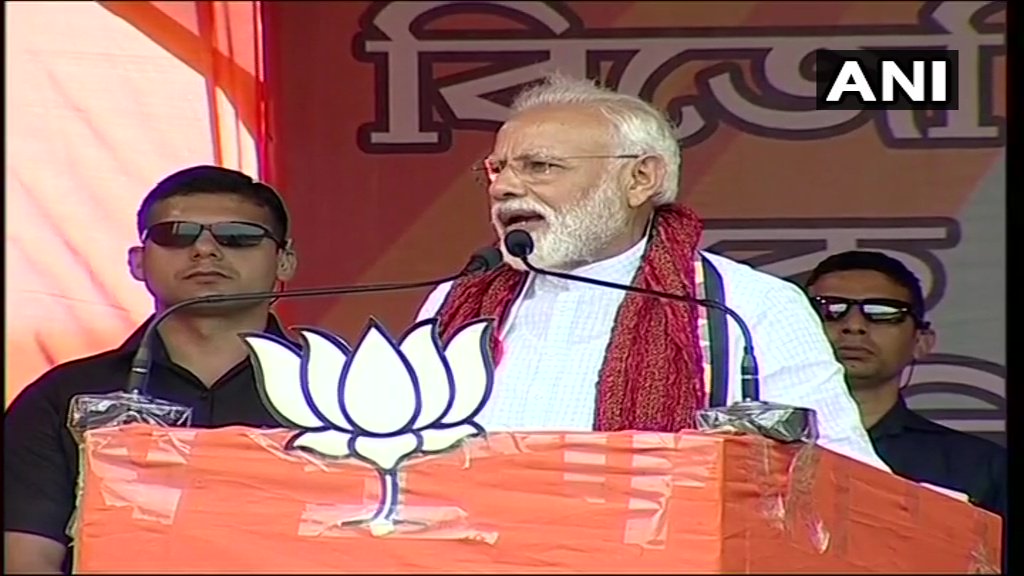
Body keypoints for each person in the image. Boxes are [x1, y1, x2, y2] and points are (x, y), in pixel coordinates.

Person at [414, 73, 888, 471]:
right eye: (496, 170)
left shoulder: (742, 305)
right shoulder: (457, 302)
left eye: (540, 166)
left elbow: (840, 474)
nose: (505, 188)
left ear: (641, 178)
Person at [4, 165, 298, 574]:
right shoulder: (62, 397)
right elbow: (26, 558)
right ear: (138, 262)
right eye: (176, 235)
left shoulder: (344, 398)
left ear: (285, 262)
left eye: (238, 237)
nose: (205, 251)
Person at [805, 251, 1007, 519]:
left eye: (883, 312)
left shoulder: (980, 465)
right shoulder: (758, 451)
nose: (853, 326)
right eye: (830, 310)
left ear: (922, 341)